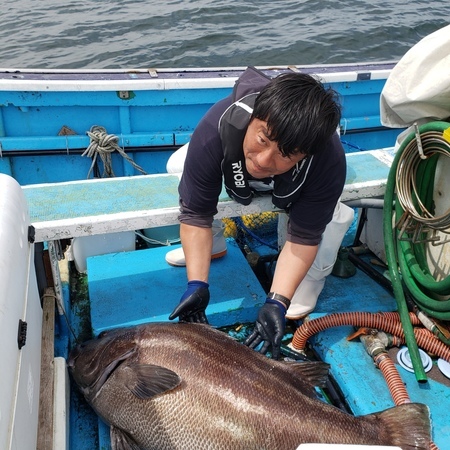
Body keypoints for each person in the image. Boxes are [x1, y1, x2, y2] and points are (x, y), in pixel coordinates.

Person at [167, 66, 353, 359]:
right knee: (179, 168)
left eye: (286, 153)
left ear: (305, 155)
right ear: (252, 118)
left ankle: (312, 279)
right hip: (233, 158)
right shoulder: (215, 127)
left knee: (328, 217)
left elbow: (304, 236)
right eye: (262, 140)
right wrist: (197, 284)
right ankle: (210, 248)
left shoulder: (327, 160)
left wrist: (278, 301)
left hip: (304, 178)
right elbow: (196, 213)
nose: (265, 160)